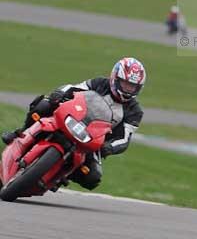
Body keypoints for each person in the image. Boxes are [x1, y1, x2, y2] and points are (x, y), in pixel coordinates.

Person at [1, 57, 146, 190]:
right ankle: (20, 133)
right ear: (115, 77)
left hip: (93, 142)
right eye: (125, 84)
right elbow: (74, 88)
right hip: (73, 118)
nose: (128, 89)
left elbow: (124, 139)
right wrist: (58, 94)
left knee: (92, 177)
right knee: (43, 105)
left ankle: (61, 176)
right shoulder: (100, 83)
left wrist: (108, 147)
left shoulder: (135, 111)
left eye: (132, 86)